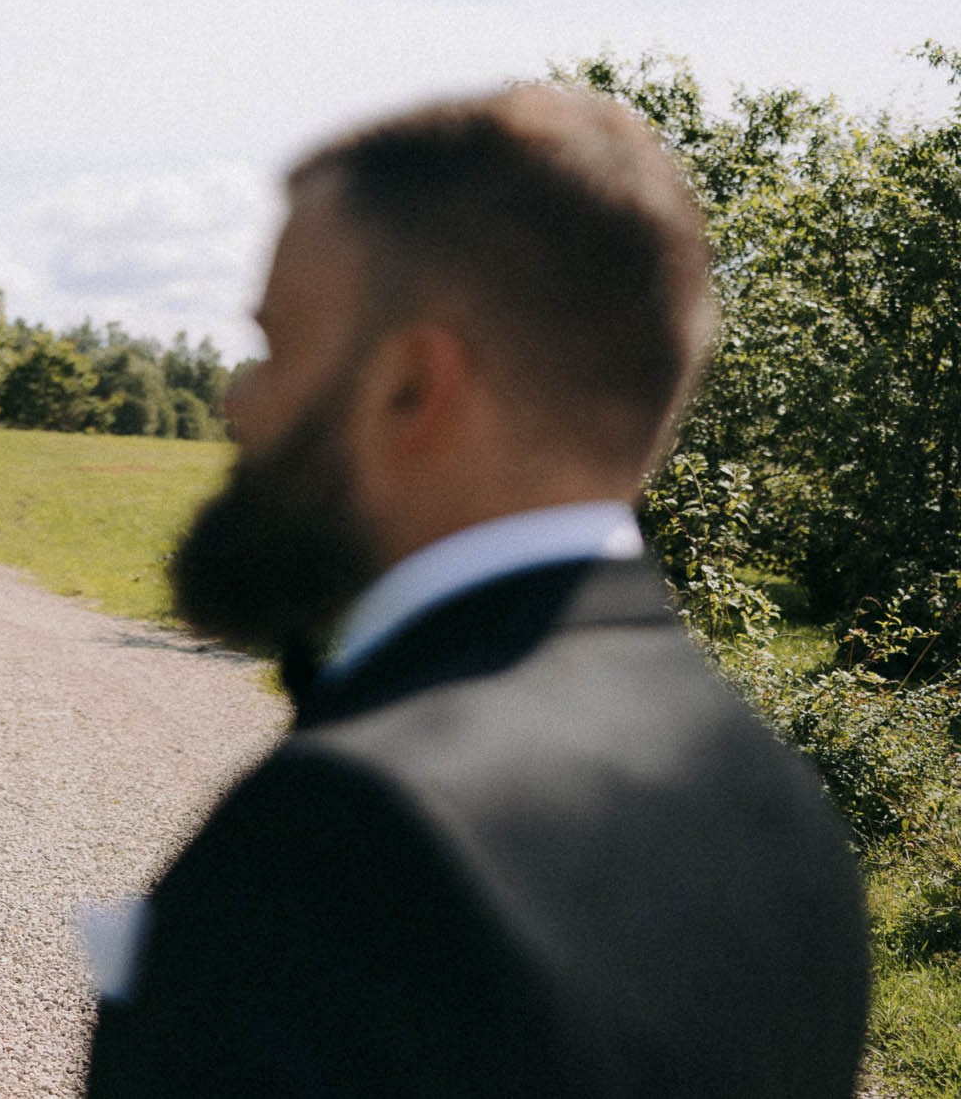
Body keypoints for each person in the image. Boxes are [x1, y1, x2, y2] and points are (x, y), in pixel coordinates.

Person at [84, 87, 869, 1096]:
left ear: (412, 386)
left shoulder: (342, 849)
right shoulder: (773, 804)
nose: (237, 401)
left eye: (275, 346)